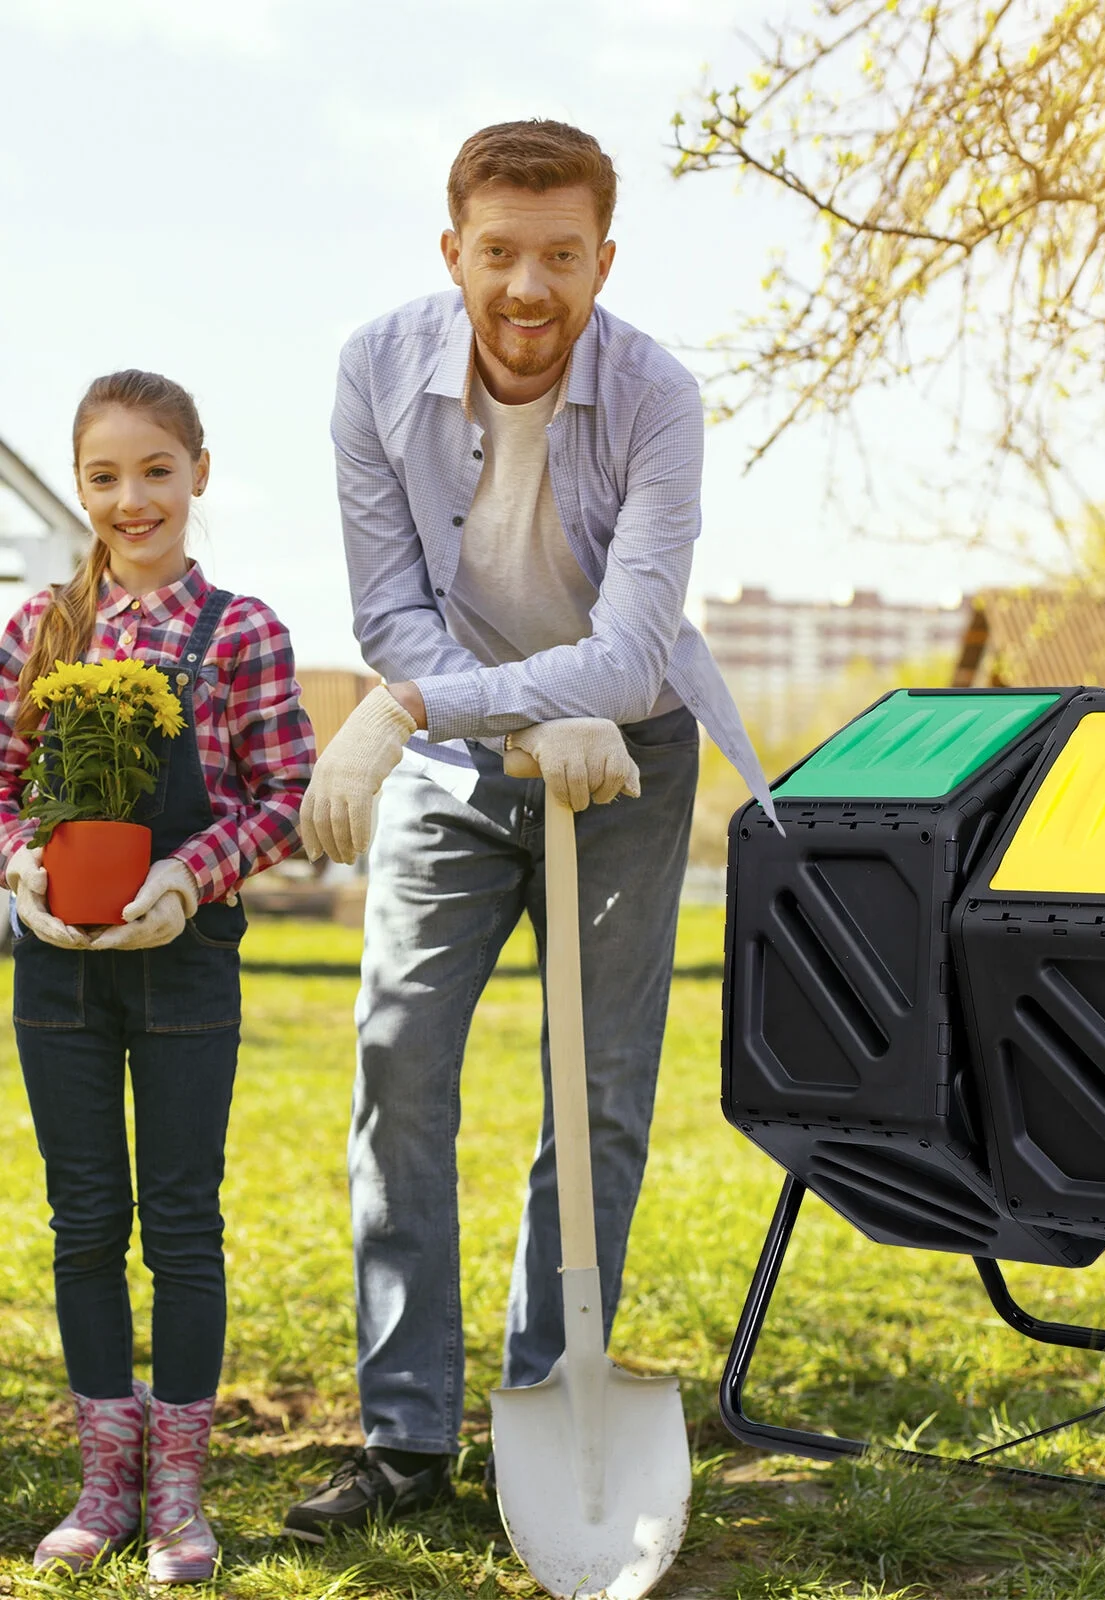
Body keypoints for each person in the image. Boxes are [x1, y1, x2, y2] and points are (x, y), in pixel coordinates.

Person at [282, 118, 773, 1538]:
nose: (528, 288)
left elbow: (628, 654)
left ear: (604, 260)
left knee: (598, 1092)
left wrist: (484, 706)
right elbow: (389, 611)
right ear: (454, 253)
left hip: (629, 755)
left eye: (563, 256)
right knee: (398, 1065)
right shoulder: (375, 371)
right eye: (499, 253)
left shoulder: (658, 396)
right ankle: (406, 1437)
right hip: (445, 753)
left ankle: (546, 1408)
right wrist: (477, 720)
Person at [2, 371, 317, 1580]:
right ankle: (102, 1483)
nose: (131, 499)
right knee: (83, 1222)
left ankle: (181, 1493)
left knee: (182, 1225)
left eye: (154, 471)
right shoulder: (39, 631)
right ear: (81, 487)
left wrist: (191, 873)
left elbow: (282, 798)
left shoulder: (240, 631)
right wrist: (23, 865)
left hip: (186, 967)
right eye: (103, 476)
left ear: (197, 471)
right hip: (59, 976)